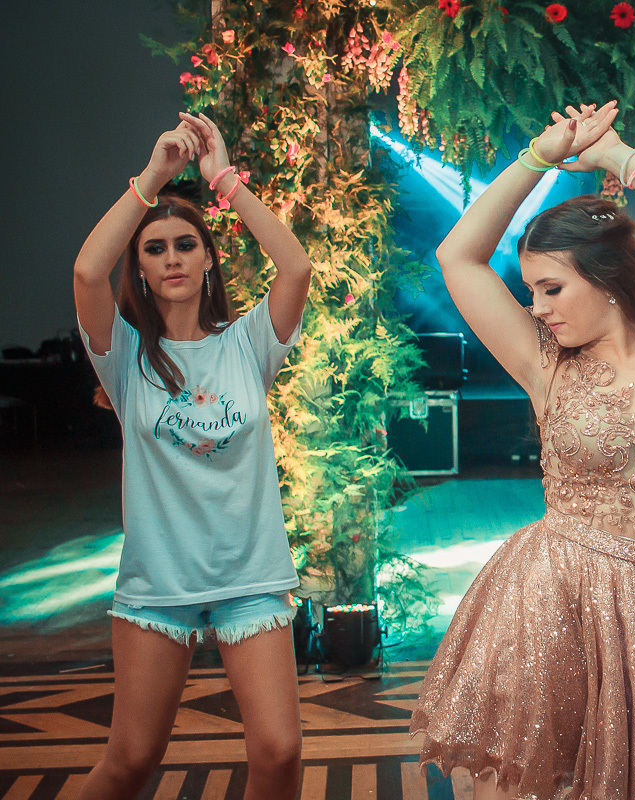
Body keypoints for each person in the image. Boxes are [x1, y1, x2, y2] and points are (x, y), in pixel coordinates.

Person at [410, 102, 635, 799]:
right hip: (553, 600)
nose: (536, 306)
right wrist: (538, 157)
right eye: (531, 290)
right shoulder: (545, 364)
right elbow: (457, 256)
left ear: (609, 276)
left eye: (552, 287)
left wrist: (617, 156)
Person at [73, 112, 311, 800]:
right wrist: (152, 179)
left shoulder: (248, 344)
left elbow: (296, 266)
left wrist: (223, 180)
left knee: (280, 752)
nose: (172, 257)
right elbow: (87, 269)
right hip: (160, 584)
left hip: (250, 578)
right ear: (142, 269)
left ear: (208, 258)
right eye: (155, 249)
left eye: (186, 244)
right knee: (131, 761)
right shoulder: (125, 357)